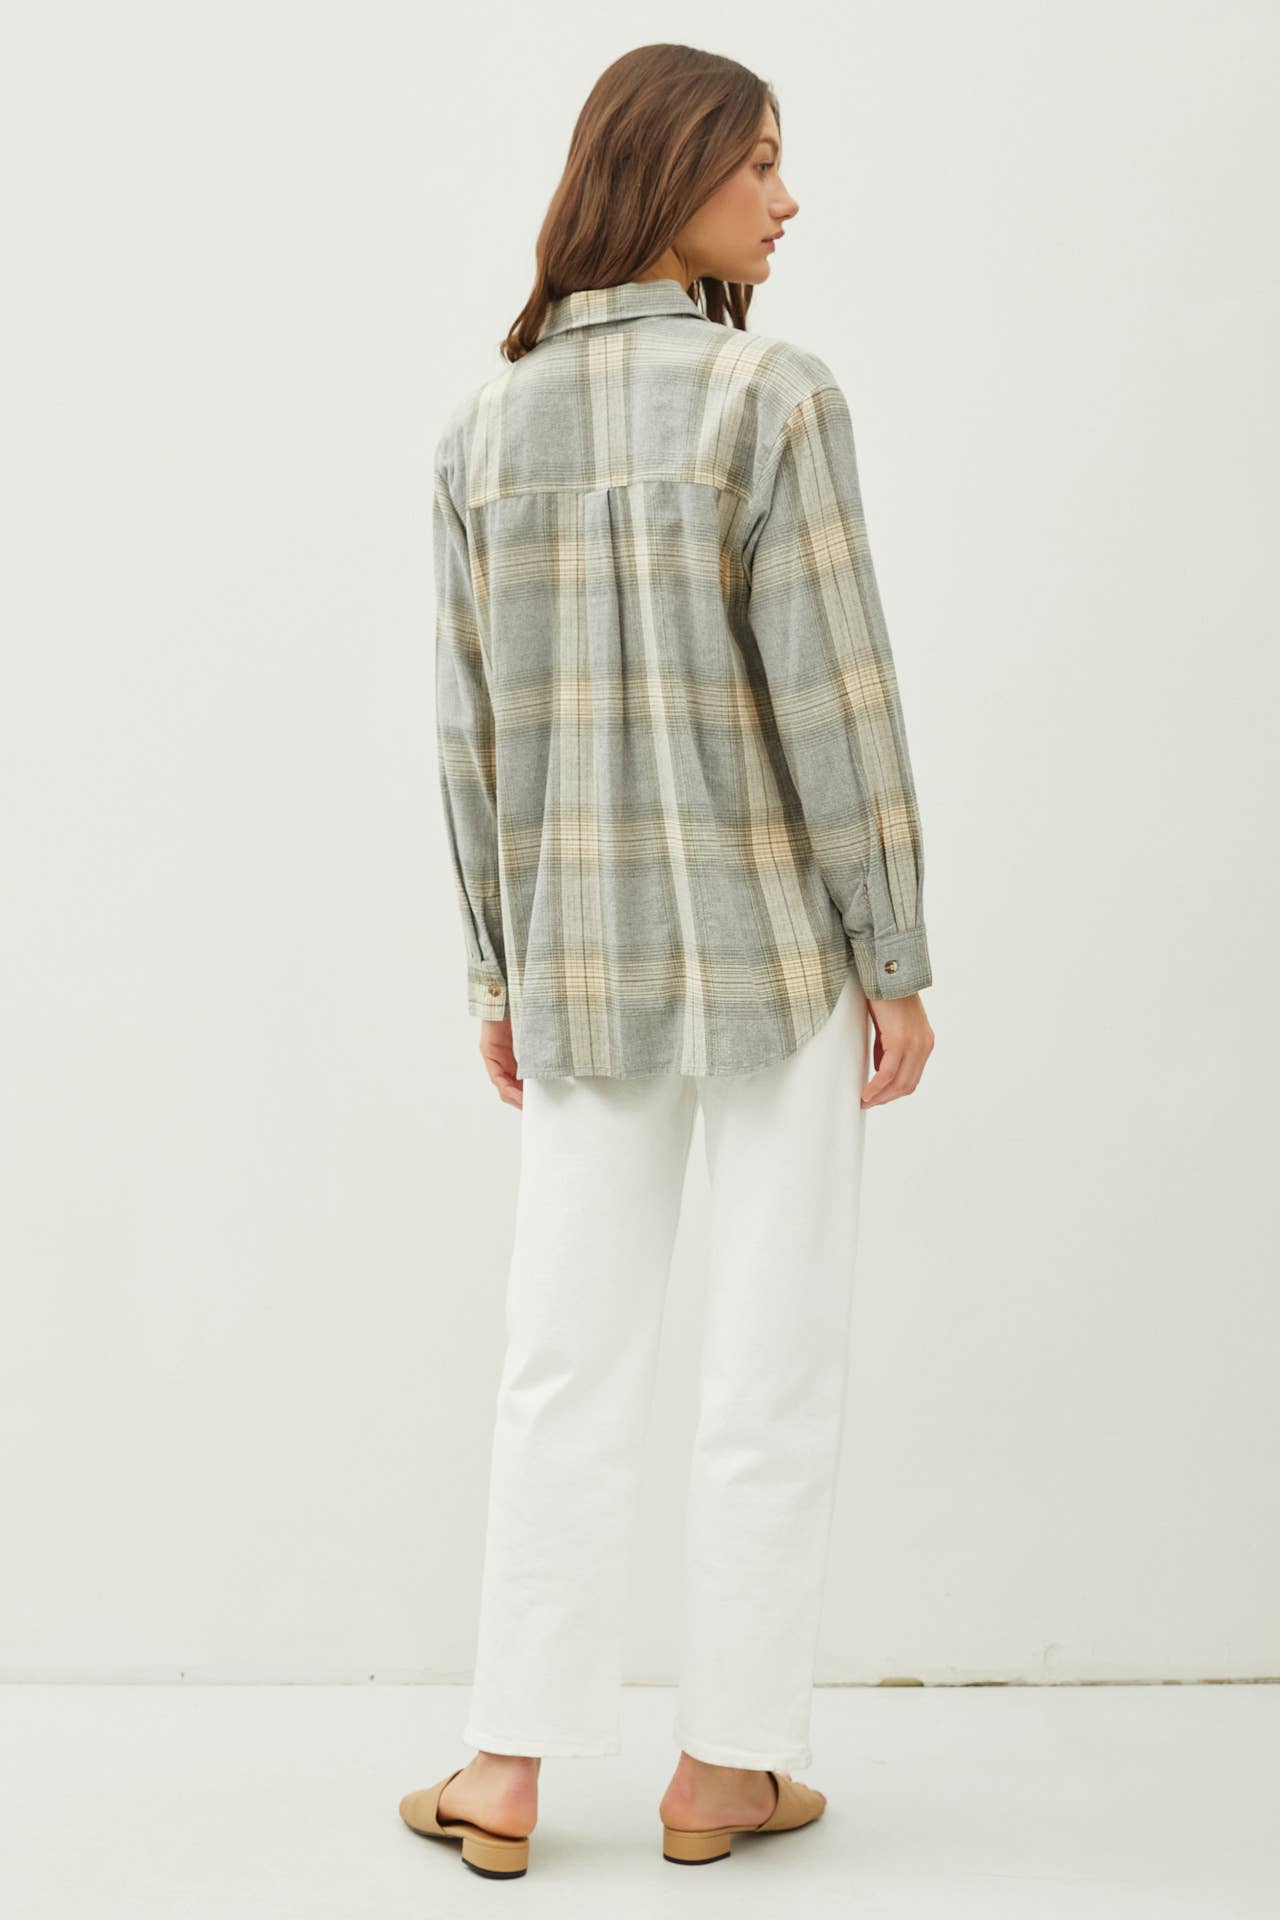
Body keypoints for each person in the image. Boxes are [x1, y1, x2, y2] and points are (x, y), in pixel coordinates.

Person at [399, 41, 936, 1880]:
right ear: (670, 169)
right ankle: (724, 1771)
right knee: (768, 1362)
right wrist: (896, 954)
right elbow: (840, 703)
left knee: (561, 1360)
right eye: (760, 162)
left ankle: (504, 1772)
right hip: (781, 954)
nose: (788, 200)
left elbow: (469, 743)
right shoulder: (770, 396)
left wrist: (497, 972)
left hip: (579, 963)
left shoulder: (484, 429)